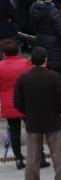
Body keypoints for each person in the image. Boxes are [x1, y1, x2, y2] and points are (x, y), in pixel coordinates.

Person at [13, 47, 61, 180]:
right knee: (57, 155)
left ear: (31, 61)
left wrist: (27, 113)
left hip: (33, 121)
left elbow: (17, 102)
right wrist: (56, 112)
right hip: (52, 120)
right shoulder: (54, 77)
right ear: (46, 60)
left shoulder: (23, 78)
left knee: (32, 157)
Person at [0, 39, 31, 170]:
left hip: (9, 103)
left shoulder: (0, 66)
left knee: (14, 131)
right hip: (25, 102)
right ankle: (39, 156)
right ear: (17, 50)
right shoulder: (26, 64)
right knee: (33, 130)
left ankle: (18, 158)